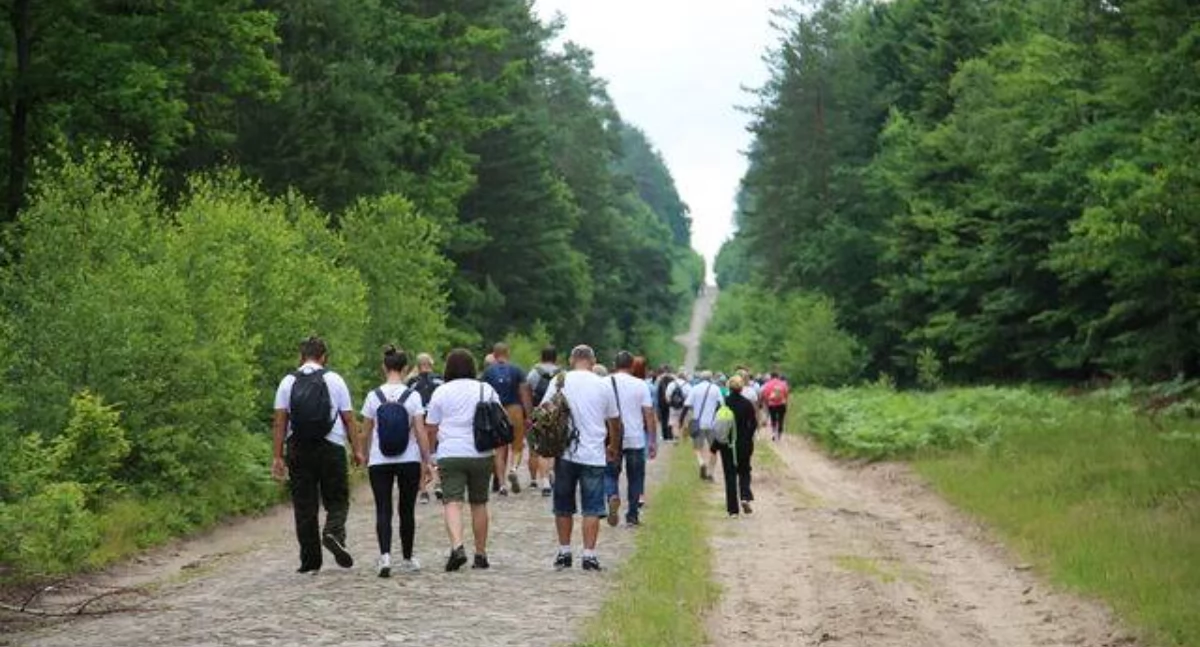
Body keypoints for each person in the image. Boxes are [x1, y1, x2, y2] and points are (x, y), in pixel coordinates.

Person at [271, 336, 358, 573]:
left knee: (304, 506)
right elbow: (349, 419)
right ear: (323, 357)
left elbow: (279, 422)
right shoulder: (334, 379)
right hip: (331, 446)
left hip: (298, 448)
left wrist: (277, 456)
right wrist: (357, 450)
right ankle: (333, 532)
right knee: (337, 498)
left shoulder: (288, 382)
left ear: (301, 357)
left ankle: (310, 562)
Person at [541, 345, 621, 571]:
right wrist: (613, 446)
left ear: (571, 359)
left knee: (563, 505)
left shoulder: (560, 381)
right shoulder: (603, 384)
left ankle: (564, 552)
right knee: (592, 507)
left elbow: (544, 409)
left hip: (565, 452)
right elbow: (614, 420)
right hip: (593, 453)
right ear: (593, 361)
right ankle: (589, 555)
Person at [357, 346, 433, 576]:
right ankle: (408, 558)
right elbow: (420, 431)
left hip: (379, 460)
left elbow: (365, 431)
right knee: (406, 510)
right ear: (406, 368)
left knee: (383, 508)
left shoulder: (373, 396)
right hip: (408, 459)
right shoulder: (413, 396)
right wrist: (427, 460)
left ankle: (385, 557)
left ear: (384, 367)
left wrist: (364, 455)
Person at [425, 349, 501, 571]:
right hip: (481, 452)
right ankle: (480, 554)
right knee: (479, 503)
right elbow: (498, 417)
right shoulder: (485, 389)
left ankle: (457, 546)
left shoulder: (441, 391)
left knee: (452, 502)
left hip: (450, 452)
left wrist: (431, 454)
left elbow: (431, 426)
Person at [604, 352, 657, 527]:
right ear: (632, 366)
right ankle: (632, 515)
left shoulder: (604, 383)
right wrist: (652, 440)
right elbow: (649, 414)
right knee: (635, 477)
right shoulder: (640, 384)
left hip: (612, 436)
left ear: (614, 364)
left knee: (610, 473)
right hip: (635, 437)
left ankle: (612, 495)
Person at [480, 342, 533, 496]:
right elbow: (524, 393)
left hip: (497, 411)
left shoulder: (488, 372)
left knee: (499, 449)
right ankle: (514, 469)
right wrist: (528, 415)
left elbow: (483, 394)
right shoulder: (517, 370)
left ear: (494, 354)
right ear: (507, 353)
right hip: (515, 409)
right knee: (517, 446)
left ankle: (502, 484)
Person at [716, 375, 757, 517]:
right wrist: (748, 438)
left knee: (730, 475)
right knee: (744, 470)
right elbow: (753, 424)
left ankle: (733, 510)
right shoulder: (747, 404)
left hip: (727, 444)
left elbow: (718, 425)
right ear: (741, 388)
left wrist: (716, 445)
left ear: (729, 387)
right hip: (744, 443)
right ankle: (745, 496)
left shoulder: (723, 403)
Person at [407, 353, 444, 504]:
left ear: (418, 365)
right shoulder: (440, 380)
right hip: (437, 421)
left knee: (422, 455)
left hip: (420, 420)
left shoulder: (412, 382)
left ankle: (423, 490)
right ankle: (439, 483)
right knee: (437, 452)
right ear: (431, 364)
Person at [527, 346, 562, 496]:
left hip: (539, 412)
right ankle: (552, 471)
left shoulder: (534, 373)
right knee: (555, 446)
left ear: (541, 357)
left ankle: (543, 481)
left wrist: (529, 413)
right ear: (556, 357)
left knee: (539, 447)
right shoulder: (562, 374)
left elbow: (527, 392)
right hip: (557, 413)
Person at [682, 370, 721, 481]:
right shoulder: (716, 388)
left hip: (698, 422)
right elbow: (721, 404)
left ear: (700, 378)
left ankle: (701, 462)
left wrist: (682, 420)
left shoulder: (695, 388)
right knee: (713, 449)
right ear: (711, 378)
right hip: (712, 423)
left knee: (697, 448)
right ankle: (711, 473)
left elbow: (687, 405)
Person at [664, 372, 691, 444]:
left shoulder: (671, 384)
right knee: (685, 422)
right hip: (684, 407)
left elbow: (667, 396)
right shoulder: (687, 385)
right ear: (684, 377)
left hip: (673, 407)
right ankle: (684, 439)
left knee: (674, 423)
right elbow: (690, 397)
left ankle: (676, 438)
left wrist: (670, 403)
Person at [762, 372, 791, 441]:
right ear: (778, 376)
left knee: (773, 418)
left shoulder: (767, 384)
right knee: (781, 419)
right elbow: (786, 394)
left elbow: (765, 395)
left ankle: (774, 432)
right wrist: (786, 403)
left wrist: (767, 403)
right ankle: (779, 433)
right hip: (782, 404)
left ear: (771, 377)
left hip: (771, 404)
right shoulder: (783, 384)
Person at [655, 367, 674, 443]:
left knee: (663, 419)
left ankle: (665, 435)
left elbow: (657, 393)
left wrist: (657, 405)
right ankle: (670, 435)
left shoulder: (660, 380)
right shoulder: (672, 379)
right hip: (670, 402)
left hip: (662, 402)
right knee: (670, 418)